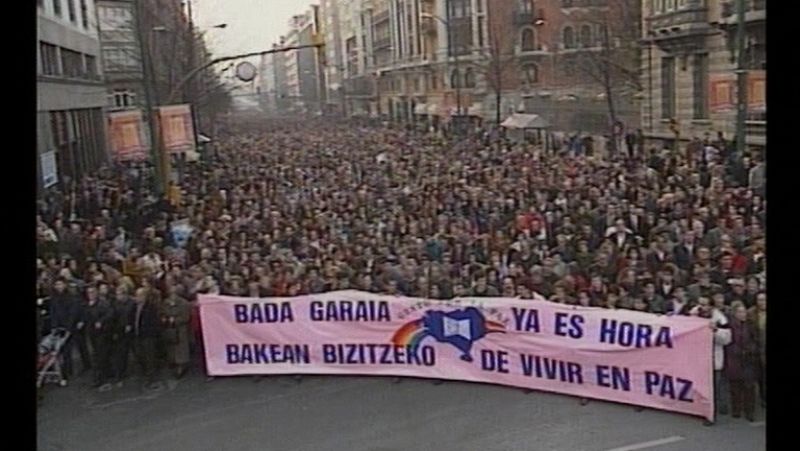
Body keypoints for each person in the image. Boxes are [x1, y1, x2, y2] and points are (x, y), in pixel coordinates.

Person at [725, 302, 759, 422]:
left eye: (744, 311)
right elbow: (727, 341)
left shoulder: (750, 325)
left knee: (749, 387)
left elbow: (755, 340)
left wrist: (751, 349)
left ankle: (749, 411)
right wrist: (736, 350)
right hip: (734, 359)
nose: (742, 314)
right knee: (735, 386)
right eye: (739, 312)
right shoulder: (729, 325)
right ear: (734, 313)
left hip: (748, 359)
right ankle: (736, 409)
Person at [82, 285, 114, 389]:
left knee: (99, 356)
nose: (90, 295)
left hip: (102, 334)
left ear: (96, 293)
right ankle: (105, 374)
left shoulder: (103, 303)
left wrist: (101, 321)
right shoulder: (87, 305)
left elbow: (110, 314)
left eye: (92, 292)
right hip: (91, 333)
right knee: (98, 355)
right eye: (89, 293)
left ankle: (99, 378)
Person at [129, 287, 162, 389]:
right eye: (136, 295)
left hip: (148, 336)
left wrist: (151, 334)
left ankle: (151, 378)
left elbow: (154, 322)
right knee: (140, 355)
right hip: (137, 335)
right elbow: (131, 318)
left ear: (144, 296)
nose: (137, 298)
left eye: (139, 295)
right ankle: (144, 374)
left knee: (149, 357)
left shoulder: (150, 307)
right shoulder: (134, 307)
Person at [160, 283, 192, 379]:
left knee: (181, 348)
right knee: (171, 347)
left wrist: (175, 320)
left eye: (174, 293)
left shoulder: (184, 303)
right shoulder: (165, 302)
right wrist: (163, 318)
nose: (172, 295)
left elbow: (186, 317)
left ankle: (181, 366)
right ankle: (172, 362)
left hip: (181, 329)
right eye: (171, 293)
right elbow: (162, 312)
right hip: (169, 329)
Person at [111, 285, 135, 386]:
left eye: (120, 294)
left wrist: (130, 324)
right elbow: (114, 318)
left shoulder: (132, 303)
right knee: (121, 353)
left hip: (131, 330)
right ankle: (121, 373)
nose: (118, 297)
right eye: (117, 294)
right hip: (120, 331)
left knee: (136, 350)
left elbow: (134, 315)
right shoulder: (115, 304)